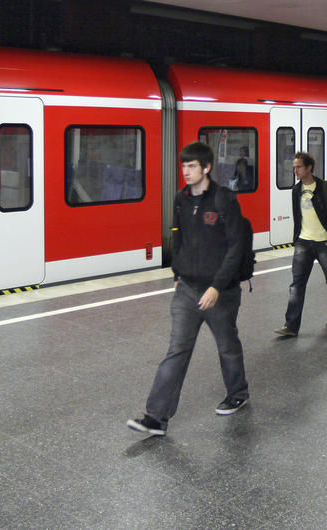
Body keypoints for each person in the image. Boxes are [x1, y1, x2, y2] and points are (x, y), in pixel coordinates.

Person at [127, 141, 249, 436]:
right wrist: (176, 272)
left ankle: (238, 393)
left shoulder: (223, 199)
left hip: (221, 292)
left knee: (227, 345)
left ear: (206, 168)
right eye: (184, 165)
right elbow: (178, 235)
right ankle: (156, 417)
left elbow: (237, 246)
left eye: (192, 166)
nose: (186, 171)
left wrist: (217, 287)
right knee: (177, 350)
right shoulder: (181, 199)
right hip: (188, 289)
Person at [275, 152, 327, 337]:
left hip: (324, 243)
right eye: (294, 167)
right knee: (296, 285)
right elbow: (298, 217)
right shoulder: (296, 190)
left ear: (309, 168)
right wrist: (296, 239)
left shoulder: (325, 188)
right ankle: (291, 326)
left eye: (298, 167)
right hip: (303, 243)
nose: (295, 171)